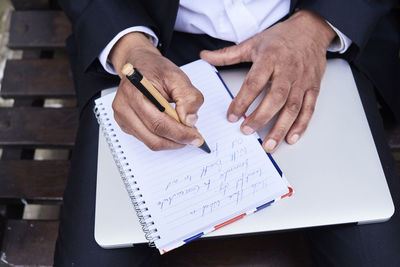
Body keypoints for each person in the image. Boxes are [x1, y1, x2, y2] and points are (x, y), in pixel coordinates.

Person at [54, 0, 400, 266]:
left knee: (378, 255)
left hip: (315, 29)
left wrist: (319, 24)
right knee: (91, 257)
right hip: (154, 43)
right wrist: (129, 47)